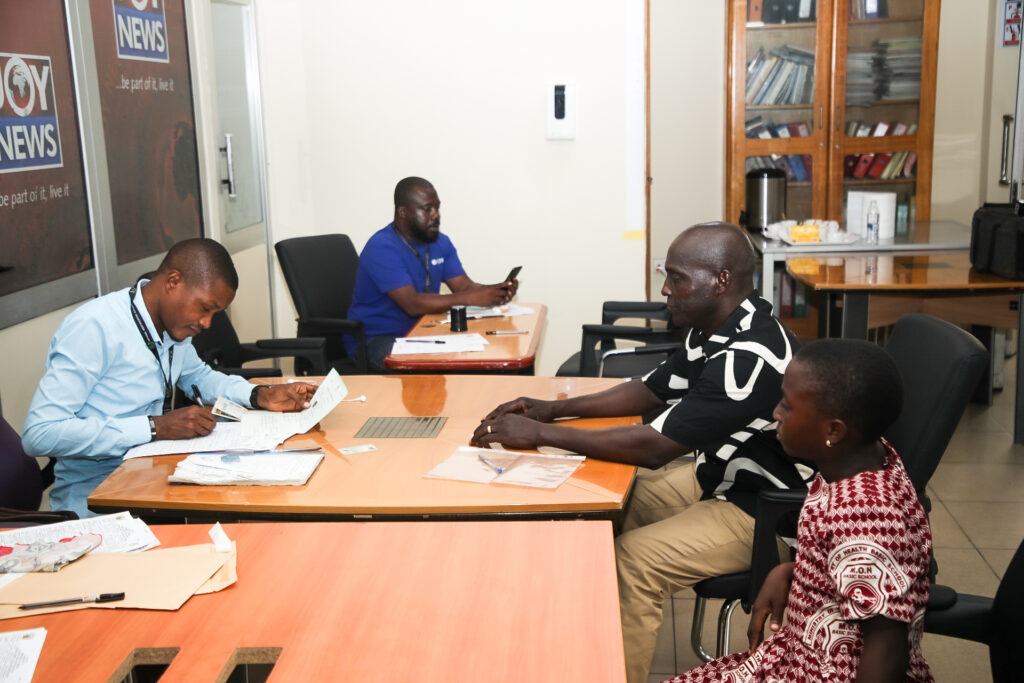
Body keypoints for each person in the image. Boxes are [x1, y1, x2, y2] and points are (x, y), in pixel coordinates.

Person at [471, 222, 813, 683]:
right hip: (719, 474)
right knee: (592, 505)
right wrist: (552, 409)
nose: (666, 289)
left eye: (677, 277)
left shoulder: (749, 355)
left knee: (635, 561)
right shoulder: (716, 327)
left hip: (765, 506)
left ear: (721, 281)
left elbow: (654, 447)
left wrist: (540, 433)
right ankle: (570, 650)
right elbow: (651, 390)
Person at [662, 339, 933, 683]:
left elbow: (887, 645)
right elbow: (851, 565)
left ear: (833, 430)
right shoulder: (855, 458)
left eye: (787, 406)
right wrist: (793, 571)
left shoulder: (868, 516)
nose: (776, 412)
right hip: (797, 657)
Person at [22, 238, 317, 518]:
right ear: (173, 282)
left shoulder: (172, 327)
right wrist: (155, 427)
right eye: (205, 308)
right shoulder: (94, 327)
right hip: (98, 496)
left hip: (152, 475)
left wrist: (260, 395)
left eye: (215, 313)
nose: (207, 323)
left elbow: (199, 376)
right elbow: (40, 433)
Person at [346, 176, 519, 371]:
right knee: (434, 368)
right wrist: (470, 297)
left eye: (437, 208)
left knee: (480, 360)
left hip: (422, 334)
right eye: (427, 209)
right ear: (403, 212)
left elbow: (464, 286)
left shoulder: (440, 242)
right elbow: (411, 304)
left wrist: (495, 292)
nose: (436, 215)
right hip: (376, 340)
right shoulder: (382, 247)